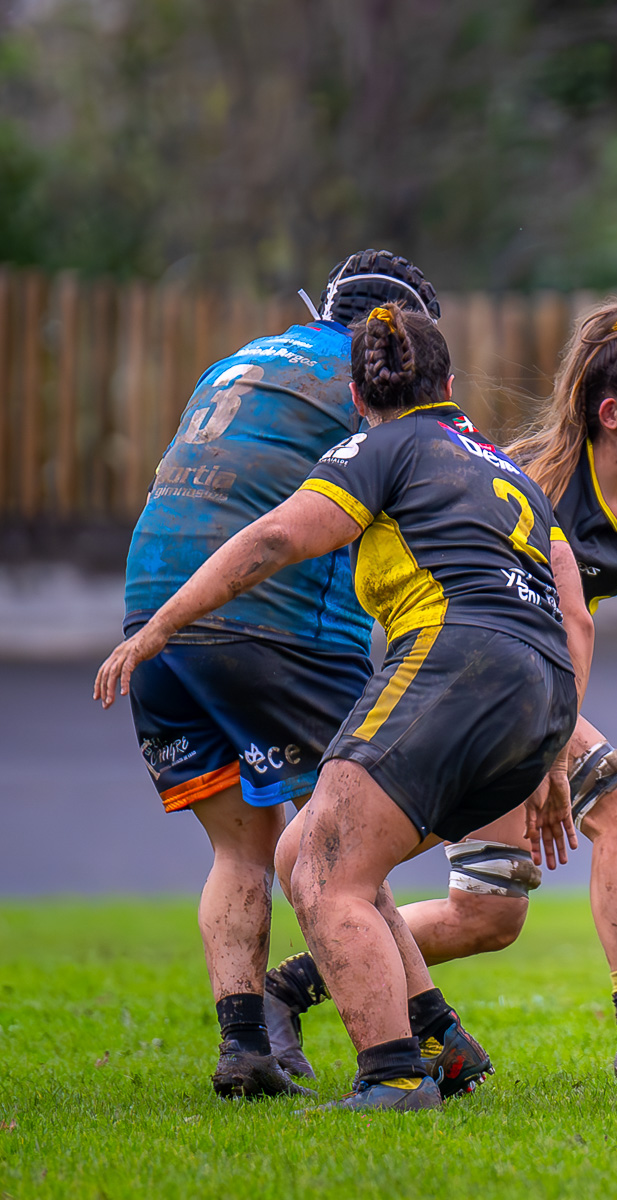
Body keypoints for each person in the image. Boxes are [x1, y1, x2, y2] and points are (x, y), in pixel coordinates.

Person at [98, 304, 589, 1111]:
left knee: (324, 869)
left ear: (359, 396)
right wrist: (558, 748)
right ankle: (439, 1041)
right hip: (539, 690)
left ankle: (394, 1075)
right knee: (308, 854)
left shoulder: (379, 445)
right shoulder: (504, 468)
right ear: (451, 386)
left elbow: (275, 540)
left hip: (455, 662)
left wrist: (158, 629)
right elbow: (568, 605)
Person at [264, 302, 617, 1077]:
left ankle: (291, 983)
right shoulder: (535, 482)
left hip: (530, 693)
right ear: (610, 414)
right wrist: (550, 755)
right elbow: (555, 625)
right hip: (469, 686)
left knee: (488, 916)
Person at [103, 250, 452, 1100]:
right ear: (403, 333)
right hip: (275, 625)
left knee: (239, 846)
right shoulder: (378, 377)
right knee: (348, 849)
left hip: (156, 611)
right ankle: (434, 1043)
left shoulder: (241, 358)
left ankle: (245, 1049)